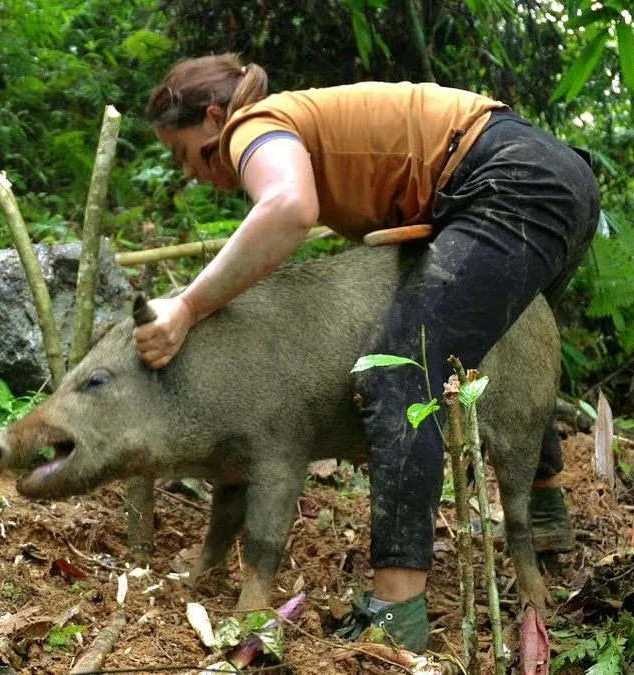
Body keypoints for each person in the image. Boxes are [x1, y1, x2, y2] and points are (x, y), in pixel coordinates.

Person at [135, 53, 600, 653]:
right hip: (551, 177)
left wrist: (188, 306)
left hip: (511, 182)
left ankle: (397, 608)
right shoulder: (299, 125)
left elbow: (288, 209)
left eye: (184, 153)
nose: (191, 173)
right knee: (496, 339)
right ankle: (543, 508)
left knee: (399, 375)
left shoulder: (256, 126)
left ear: (216, 117)